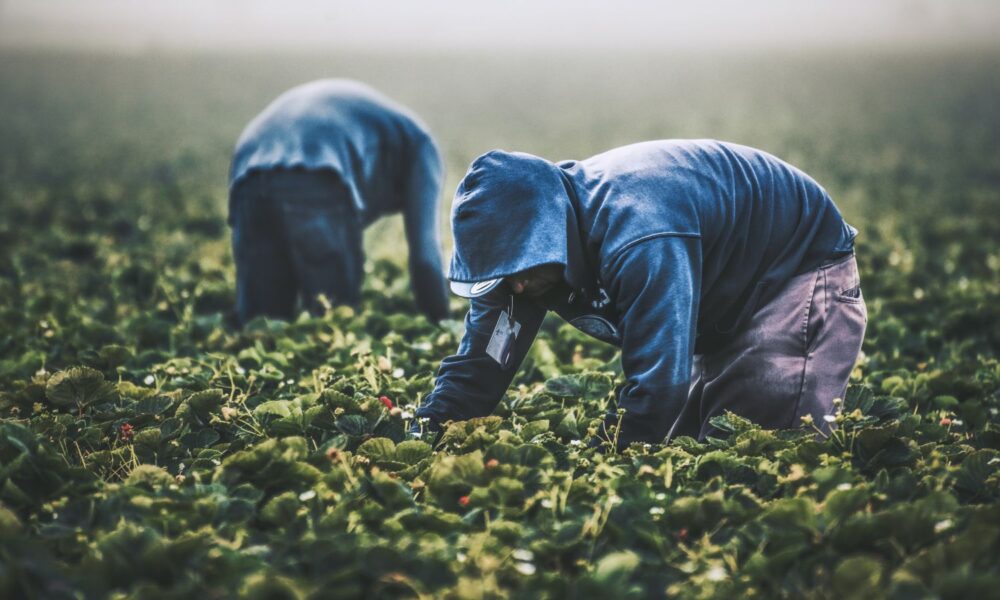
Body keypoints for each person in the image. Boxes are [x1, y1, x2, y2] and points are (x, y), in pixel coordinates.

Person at [414, 140, 867, 449]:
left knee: (765, 446)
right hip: (720, 290)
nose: (513, 288)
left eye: (519, 269)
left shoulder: (639, 234)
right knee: (698, 447)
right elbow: (482, 364)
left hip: (796, 268)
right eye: (500, 275)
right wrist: (426, 430)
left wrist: (602, 456)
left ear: (549, 234)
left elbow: (659, 381)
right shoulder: (522, 269)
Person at [228, 79, 449, 325]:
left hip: (248, 169)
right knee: (333, 320)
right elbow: (425, 256)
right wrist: (441, 322)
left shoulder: (390, 134)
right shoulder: (423, 148)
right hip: (317, 167)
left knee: (261, 326)